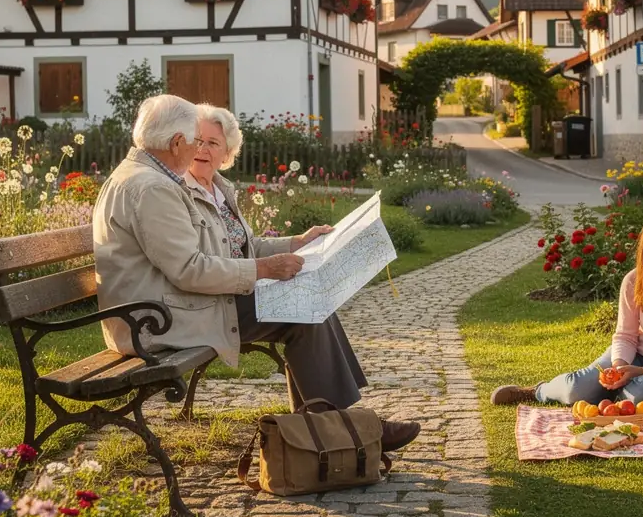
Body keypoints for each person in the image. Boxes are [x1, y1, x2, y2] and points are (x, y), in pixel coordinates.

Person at [93, 94, 420, 453]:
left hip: (167, 308)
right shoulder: (153, 187)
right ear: (176, 143)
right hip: (157, 322)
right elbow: (190, 270)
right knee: (301, 311)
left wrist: (291, 246)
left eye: (209, 143)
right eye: (195, 140)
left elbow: (228, 250)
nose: (198, 149)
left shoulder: (145, 177)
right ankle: (342, 429)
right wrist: (264, 269)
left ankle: (330, 426)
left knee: (307, 305)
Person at [490, 213, 643, 407]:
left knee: (642, 394)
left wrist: (640, 372)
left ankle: (606, 397)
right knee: (575, 389)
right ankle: (538, 391)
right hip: (635, 355)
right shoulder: (634, 280)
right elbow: (625, 335)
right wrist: (620, 365)